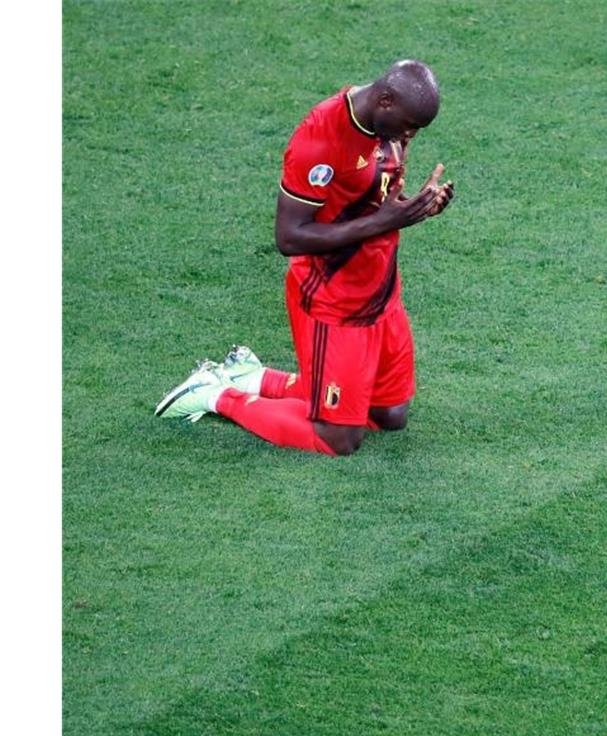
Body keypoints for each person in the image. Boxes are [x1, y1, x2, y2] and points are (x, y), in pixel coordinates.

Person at [155, 60, 455, 456]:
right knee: (339, 438)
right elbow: (290, 237)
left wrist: (417, 208)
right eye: (409, 125)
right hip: (335, 300)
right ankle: (216, 394)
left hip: (381, 290)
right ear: (384, 101)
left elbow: (375, 197)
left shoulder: (387, 125)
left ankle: (254, 377)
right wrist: (385, 221)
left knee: (390, 415)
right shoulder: (321, 139)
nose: (410, 135)